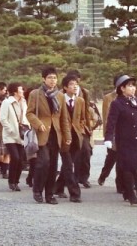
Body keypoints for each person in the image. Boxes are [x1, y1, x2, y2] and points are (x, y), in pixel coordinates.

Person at [104, 75, 137, 206]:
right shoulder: (117, 103)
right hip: (125, 140)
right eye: (130, 86)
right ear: (122, 88)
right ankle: (131, 193)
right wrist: (108, 138)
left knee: (136, 166)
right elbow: (111, 122)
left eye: (134, 86)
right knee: (127, 168)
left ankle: (131, 190)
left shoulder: (136, 102)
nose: (133, 88)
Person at [27, 67, 70, 204]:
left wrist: (67, 135)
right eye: (50, 77)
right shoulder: (35, 94)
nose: (53, 80)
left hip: (55, 135)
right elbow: (29, 113)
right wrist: (38, 123)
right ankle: (37, 190)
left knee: (53, 166)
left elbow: (64, 118)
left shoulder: (60, 96)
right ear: (43, 79)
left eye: (55, 78)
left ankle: (49, 194)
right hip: (42, 133)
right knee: (43, 163)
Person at [53, 75, 85, 203]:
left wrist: (80, 129)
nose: (75, 86)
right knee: (67, 164)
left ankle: (58, 187)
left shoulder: (80, 101)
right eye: (72, 84)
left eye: (76, 84)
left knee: (69, 164)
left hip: (76, 137)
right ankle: (74, 193)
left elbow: (82, 118)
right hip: (62, 137)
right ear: (65, 87)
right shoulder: (58, 99)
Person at [0, 82, 30, 192]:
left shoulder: (24, 102)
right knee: (15, 157)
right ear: (15, 91)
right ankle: (11, 181)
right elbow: (3, 118)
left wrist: (28, 128)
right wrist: (10, 130)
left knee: (21, 160)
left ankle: (16, 181)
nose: (23, 91)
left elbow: (26, 117)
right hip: (10, 136)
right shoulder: (7, 102)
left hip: (22, 135)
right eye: (21, 89)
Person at [97, 81, 123, 194]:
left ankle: (120, 184)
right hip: (112, 134)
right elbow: (106, 117)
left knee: (122, 160)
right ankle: (103, 175)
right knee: (111, 158)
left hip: (124, 134)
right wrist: (107, 135)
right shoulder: (108, 98)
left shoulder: (129, 96)